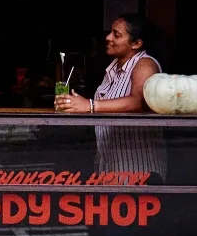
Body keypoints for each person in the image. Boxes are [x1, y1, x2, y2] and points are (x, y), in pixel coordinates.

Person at [53, 13, 168, 181]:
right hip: (111, 166)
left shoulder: (145, 64)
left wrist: (90, 106)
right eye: (110, 32)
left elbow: (138, 101)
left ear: (136, 43)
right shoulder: (113, 66)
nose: (108, 37)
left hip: (139, 170)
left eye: (117, 34)